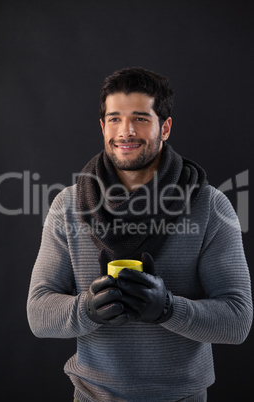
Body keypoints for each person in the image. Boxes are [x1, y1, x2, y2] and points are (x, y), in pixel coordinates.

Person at [27, 67, 253, 402]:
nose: (126, 131)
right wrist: (87, 308)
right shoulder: (67, 205)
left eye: (140, 118)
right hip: (92, 397)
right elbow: (38, 314)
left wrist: (168, 309)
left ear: (166, 127)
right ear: (103, 127)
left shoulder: (210, 206)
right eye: (114, 118)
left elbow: (238, 320)